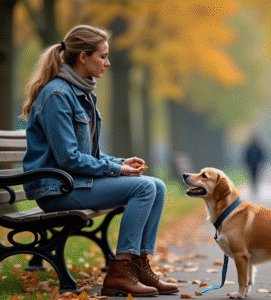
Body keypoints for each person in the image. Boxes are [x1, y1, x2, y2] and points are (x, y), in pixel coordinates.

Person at [21, 25, 178, 297]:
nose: (107, 63)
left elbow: (87, 154)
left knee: (157, 185)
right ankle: (120, 272)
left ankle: (139, 267)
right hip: (57, 190)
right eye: (102, 56)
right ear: (83, 57)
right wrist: (116, 170)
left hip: (74, 183)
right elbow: (68, 158)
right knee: (144, 188)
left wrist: (120, 162)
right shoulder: (58, 95)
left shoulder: (83, 94)